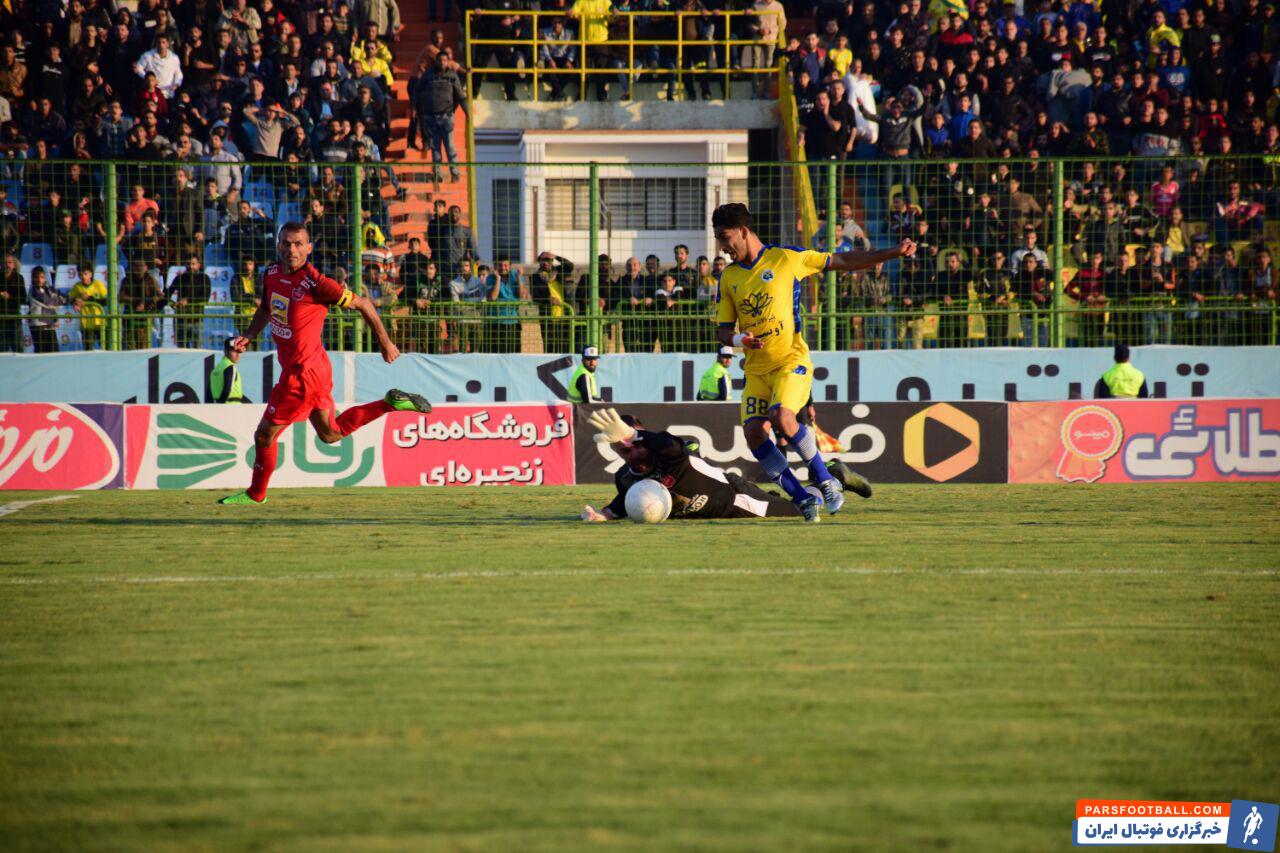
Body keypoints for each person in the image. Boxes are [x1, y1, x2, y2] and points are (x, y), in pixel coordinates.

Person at [712, 203, 915, 522]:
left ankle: (827, 482)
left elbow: (843, 259)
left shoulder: (785, 258)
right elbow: (723, 331)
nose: (722, 247)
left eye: (724, 237)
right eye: (718, 240)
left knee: (782, 416)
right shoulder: (729, 278)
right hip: (755, 370)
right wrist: (740, 340)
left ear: (744, 231)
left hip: (790, 359)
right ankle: (803, 497)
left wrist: (893, 252)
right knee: (754, 434)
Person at [218, 222, 433, 505]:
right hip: (315, 367)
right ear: (278, 245)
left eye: (298, 244)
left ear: (309, 248)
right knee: (330, 434)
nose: (291, 249)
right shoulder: (271, 273)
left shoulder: (317, 283)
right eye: (286, 243)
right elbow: (266, 308)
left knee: (263, 436)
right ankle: (390, 404)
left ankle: (256, 494)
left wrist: (385, 343)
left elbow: (365, 304)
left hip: (302, 374)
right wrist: (249, 334)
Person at [580, 410, 804, 522]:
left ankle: (831, 476)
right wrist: (602, 516)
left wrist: (633, 435)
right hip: (705, 516)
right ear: (617, 451)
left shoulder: (667, 454)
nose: (634, 451)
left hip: (736, 500)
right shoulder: (624, 478)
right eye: (626, 449)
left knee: (797, 512)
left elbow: (671, 445)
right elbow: (624, 502)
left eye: (638, 444)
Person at [1, 253, 25, 352]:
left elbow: (23, 298)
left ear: (14, 264)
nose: (7, 265)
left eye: (10, 262)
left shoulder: (19, 278)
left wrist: (9, 297)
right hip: (1, 317)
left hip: (14, 317)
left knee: (18, 347)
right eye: (5, 263)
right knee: (2, 349)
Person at [210, 337, 246, 403]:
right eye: (234, 351)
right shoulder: (230, 367)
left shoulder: (216, 368)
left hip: (217, 406)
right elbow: (227, 390)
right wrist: (222, 406)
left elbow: (209, 393)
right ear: (225, 351)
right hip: (231, 407)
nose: (237, 354)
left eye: (238, 351)